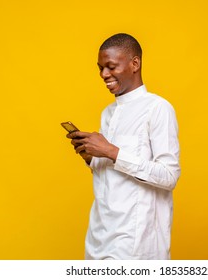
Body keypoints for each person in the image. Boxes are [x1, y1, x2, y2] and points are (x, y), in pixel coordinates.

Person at [66, 33, 180, 259]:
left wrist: (111, 151)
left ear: (134, 63)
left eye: (110, 67)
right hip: (99, 237)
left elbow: (169, 176)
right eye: (100, 68)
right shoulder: (108, 113)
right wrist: (92, 157)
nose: (103, 74)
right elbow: (111, 175)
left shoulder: (158, 108)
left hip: (136, 243)